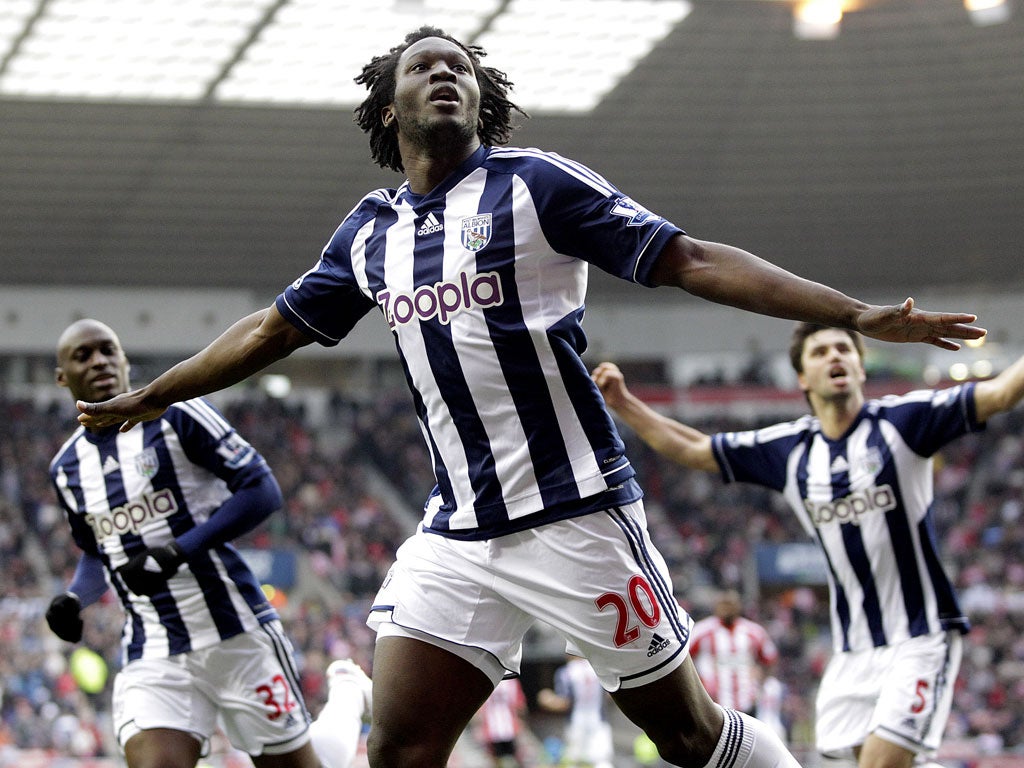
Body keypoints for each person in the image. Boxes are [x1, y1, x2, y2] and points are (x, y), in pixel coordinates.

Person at [74, 25, 987, 768]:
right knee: (398, 747)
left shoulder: (535, 185)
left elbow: (694, 260)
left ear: (482, 98)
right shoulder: (370, 232)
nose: (446, 76)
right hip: (457, 532)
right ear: (388, 106)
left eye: (461, 68)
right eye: (425, 67)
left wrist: (856, 312)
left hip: (577, 516)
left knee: (686, 736)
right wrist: (154, 394)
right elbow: (273, 331)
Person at [592, 332, 1024, 768]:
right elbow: (695, 448)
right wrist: (625, 403)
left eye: (844, 350)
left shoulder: (904, 421)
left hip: (921, 634)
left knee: (880, 763)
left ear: (859, 367)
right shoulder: (791, 449)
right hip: (854, 647)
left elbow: (1002, 392)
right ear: (802, 377)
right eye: (820, 352)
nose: (834, 356)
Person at [46, 319, 371, 768]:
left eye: (108, 350)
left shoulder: (176, 413)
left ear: (123, 360)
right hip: (154, 645)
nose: (99, 360)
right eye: (83, 355)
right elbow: (96, 550)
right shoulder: (66, 468)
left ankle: (349, 693)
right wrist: (74, 597)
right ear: (63, 376)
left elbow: (261, 488)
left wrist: (178, 550)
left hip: (235, 633)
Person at [688, 590, 779, 717]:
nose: (727, 608)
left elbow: (770, 659)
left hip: (747, 702)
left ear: (738, 606)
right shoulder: (702, 631)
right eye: (724, 604)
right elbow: (684, 658)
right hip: (713, 703)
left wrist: (760, 683)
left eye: (731, 604)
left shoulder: (754, 632)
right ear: (716, 606)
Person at [537, 656, 615, 768]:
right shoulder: (598, 669)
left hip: (576, 722)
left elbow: (565, 703)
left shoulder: (566, 672)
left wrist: (548, 700)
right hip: (599, 721)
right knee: (602, 761)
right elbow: (609, 695)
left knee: (574, 761)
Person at [474, 677, 529, 768]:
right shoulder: (512, 682)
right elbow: (520, 706)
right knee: (517, 758)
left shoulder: (485, 680)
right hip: (509, 727)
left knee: (496, 760)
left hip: (493, 728)